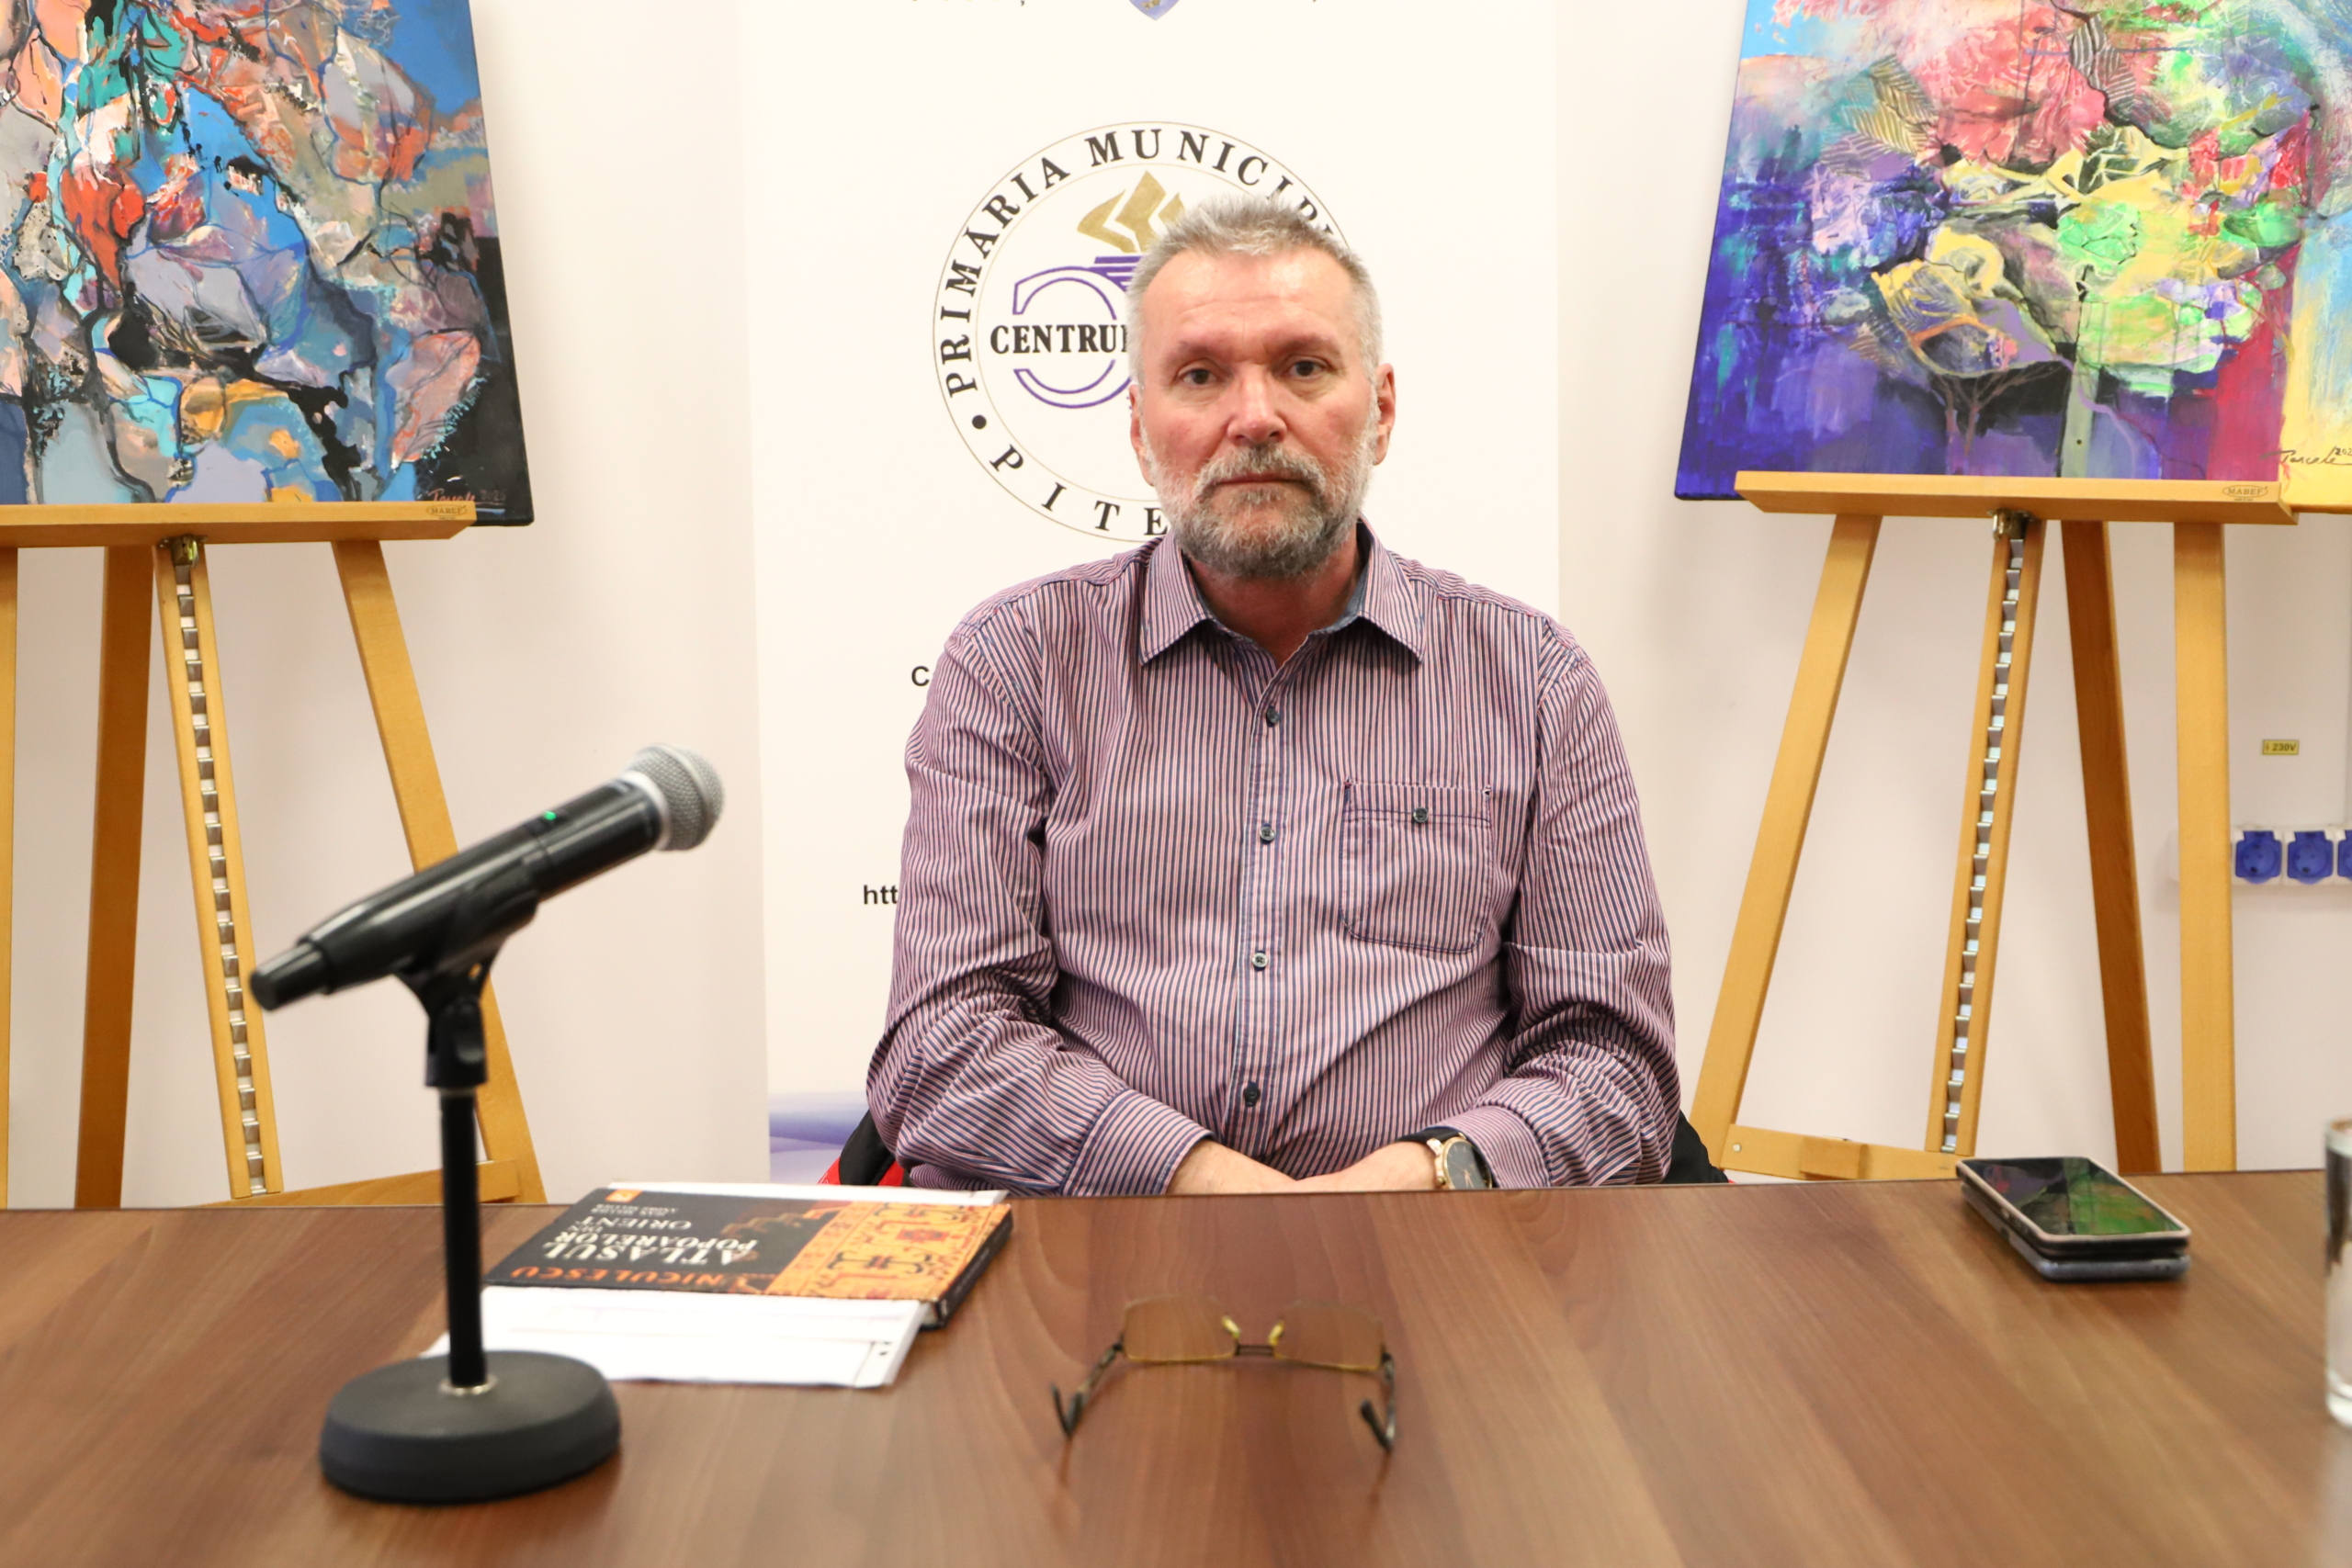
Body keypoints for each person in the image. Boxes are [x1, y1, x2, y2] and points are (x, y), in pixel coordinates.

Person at [864, 197, 1684, 1195]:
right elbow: (943, 1046)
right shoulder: (1016, 665)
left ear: (1381, 412)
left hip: (1433, 1247)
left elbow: (1614, 1062)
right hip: (1095, 1242)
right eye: (1200, 375)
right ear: (1139, 429)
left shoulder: (1534, 680)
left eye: (1302, 367)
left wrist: (1430, 1176)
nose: (1254, 417)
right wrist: (1203, 1183)